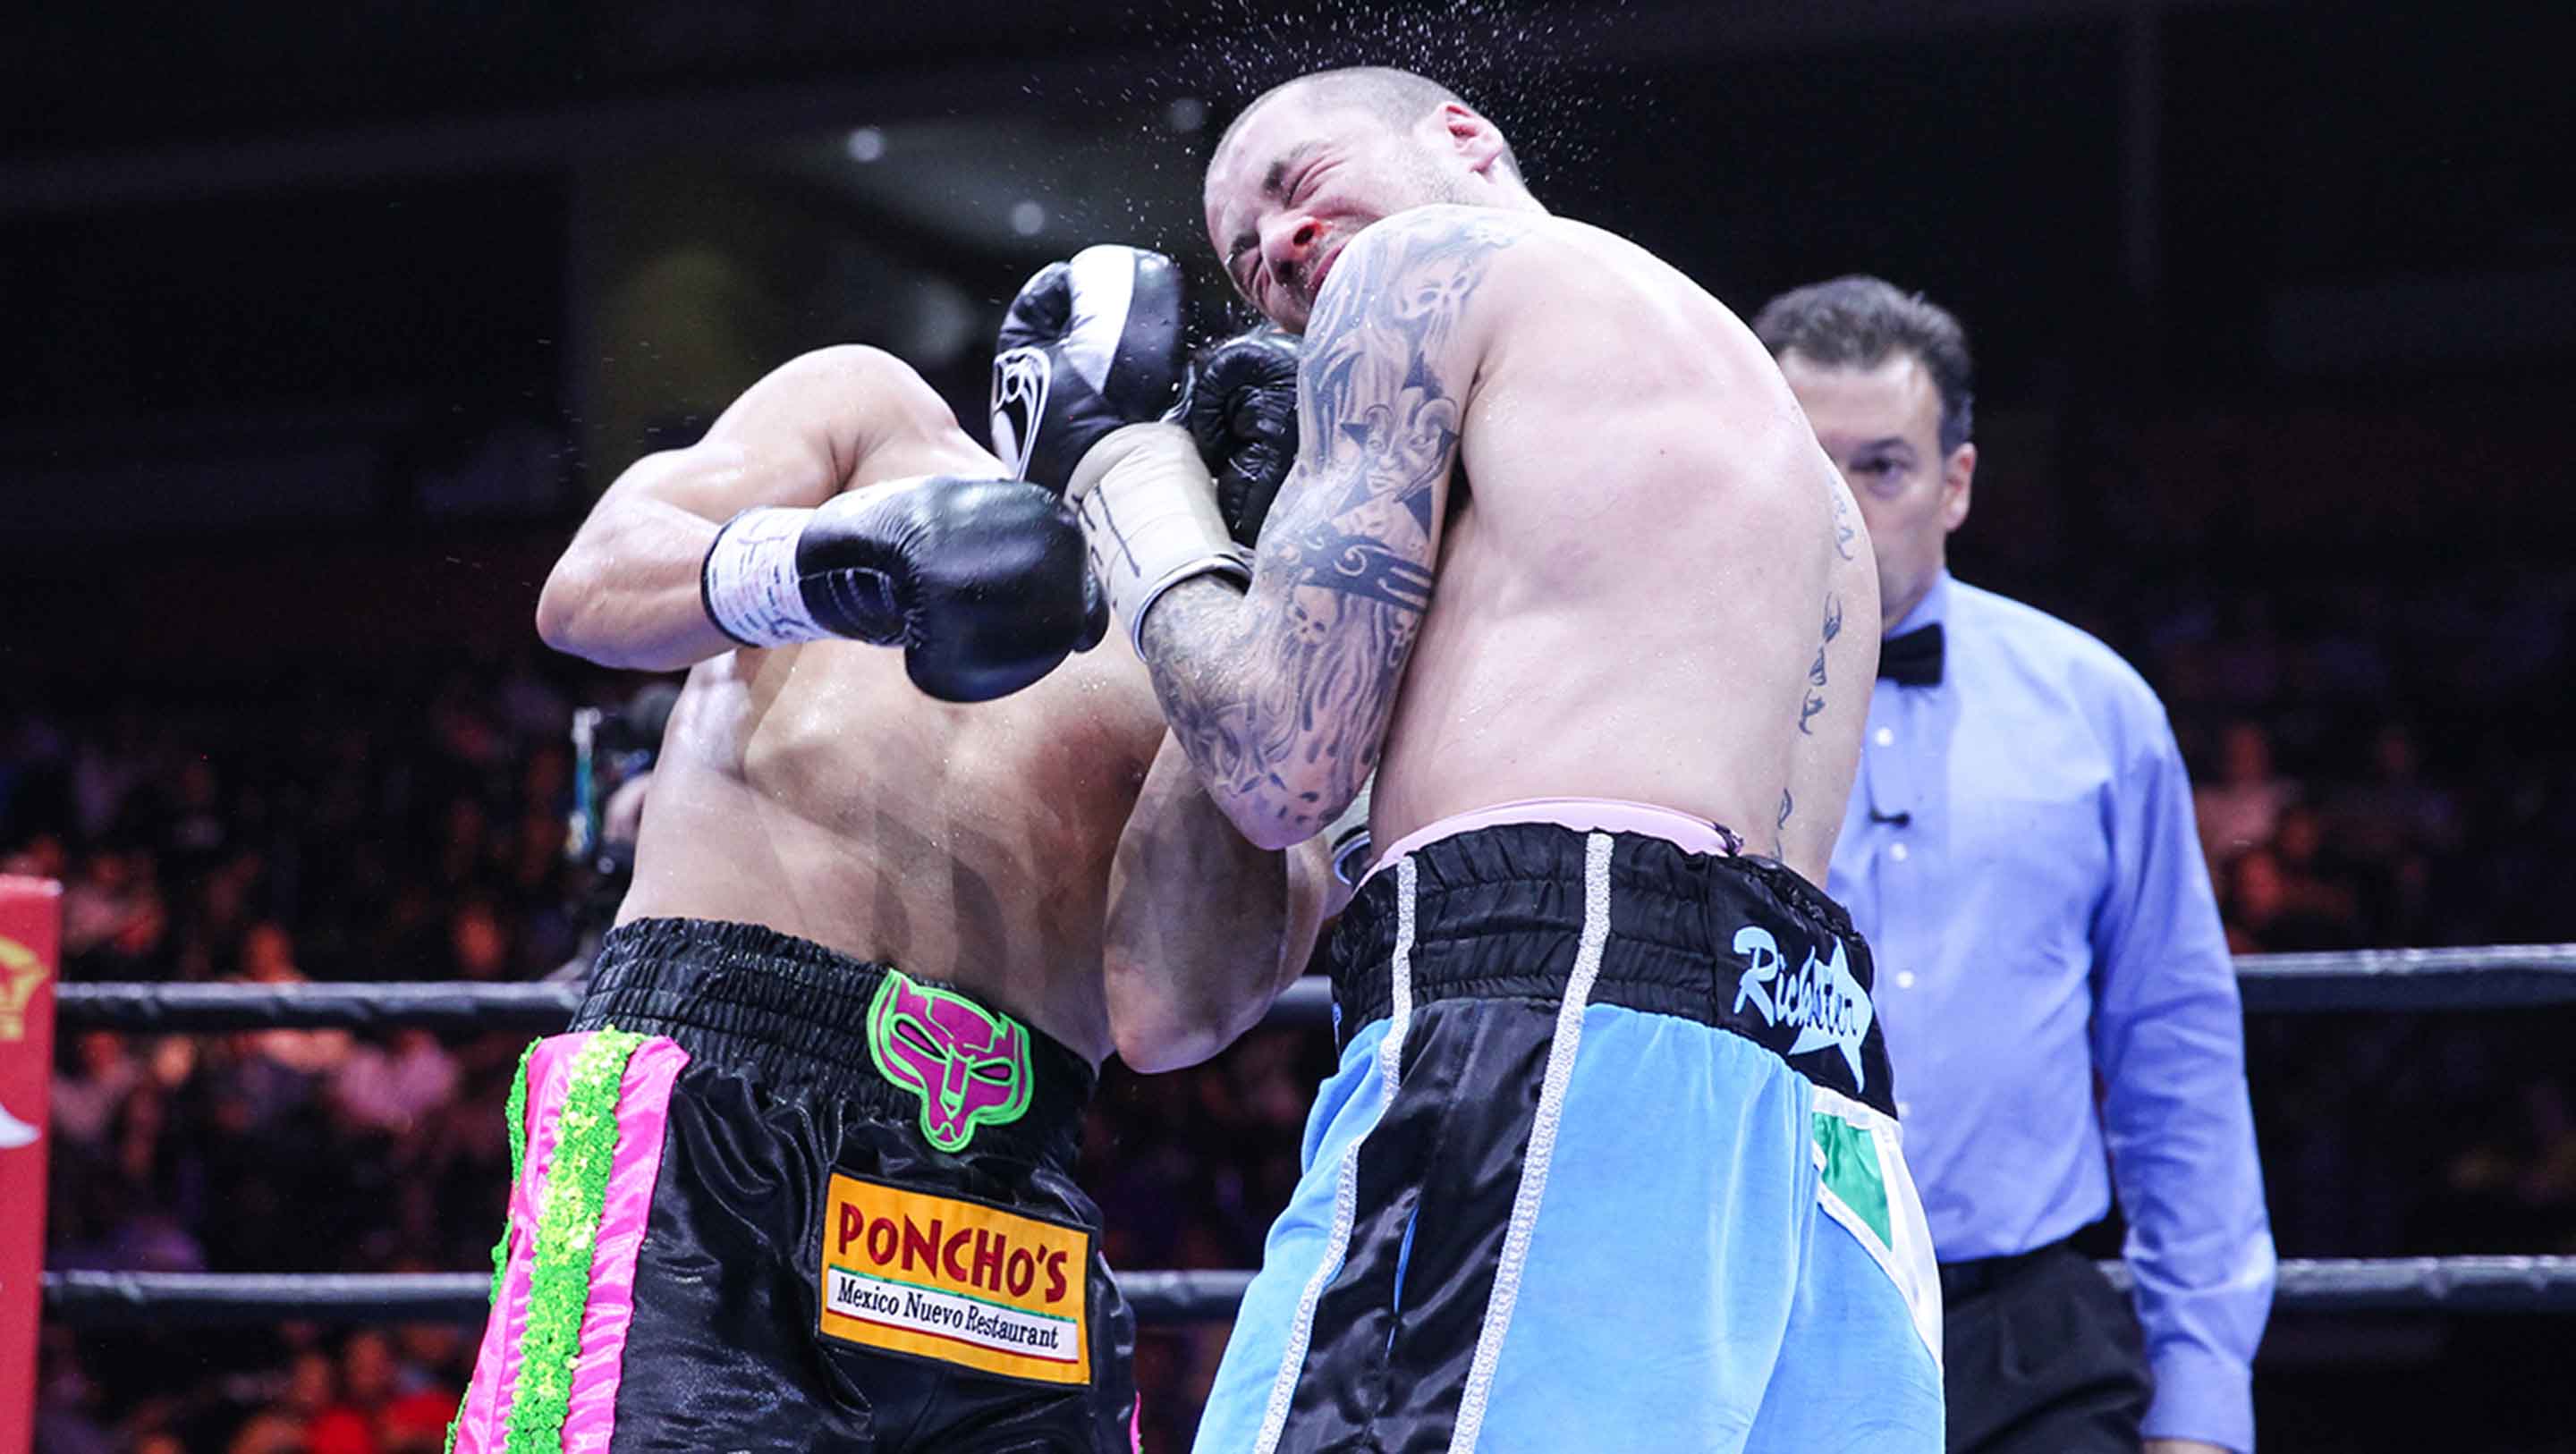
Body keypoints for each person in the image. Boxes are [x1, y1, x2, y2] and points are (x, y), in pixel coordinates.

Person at [1038, 65, 1944, 1452]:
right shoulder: (1769, 468)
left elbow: (1280, 760)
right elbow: (1171, 1002)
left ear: (1462, 135)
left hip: (1553, 1026)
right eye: (1244, 256)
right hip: (1819, 1122)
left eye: (1294, 184)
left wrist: (1124, 481)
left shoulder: (1424, 264)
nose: (1278, 251)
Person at [448, 313, 1333, 1451]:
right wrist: (829, 568)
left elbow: (1174, 1018)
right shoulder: (881, 422)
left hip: (1007, 1195)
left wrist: (1235, 619)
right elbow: (589, 589)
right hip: (718, 1099)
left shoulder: (1268, 671)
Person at [1752, 275, 2275, 1454]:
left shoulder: (2094, 708)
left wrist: (2202, 1397)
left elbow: (2176, 1055)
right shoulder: (1659, 710)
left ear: (1957, 483)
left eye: (1880, 466)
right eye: (1804, 457)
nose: (1839, 504)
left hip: (2035, 1338)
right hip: (1757, 1319)